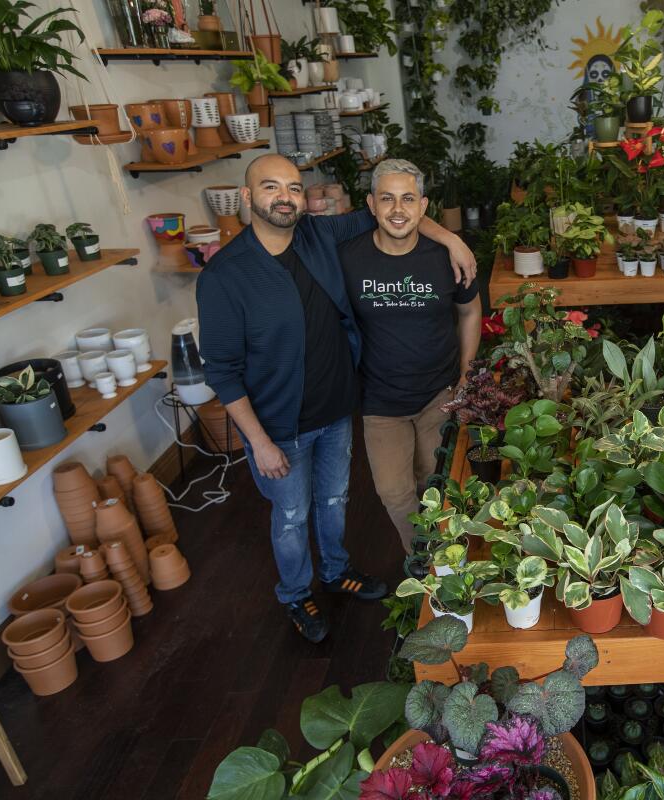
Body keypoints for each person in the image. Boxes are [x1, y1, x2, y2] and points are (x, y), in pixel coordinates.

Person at [196, 154, 476, 642]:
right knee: (289, 516)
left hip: (336, 409)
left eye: (293, 188)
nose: (284, 197)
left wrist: (451, 238)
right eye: (270, 187)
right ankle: (295, 593)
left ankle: (335, 571)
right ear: (247, 197)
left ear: (303, 199)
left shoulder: (317, 237)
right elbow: (220, 370)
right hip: (277, 422)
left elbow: (393, 208)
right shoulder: (224, 275)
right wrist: (257, 441)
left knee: (333, 501)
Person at [337, 160, 482, 554]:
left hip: (439, 392)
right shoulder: (348, 259)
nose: (397, 209)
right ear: (370, 204)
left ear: (423, 205)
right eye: (387, 199)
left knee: (432, 482)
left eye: (407, 199)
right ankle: (425, 565)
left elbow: (470, 313)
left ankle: (447, 566)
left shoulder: (446, 256)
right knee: (394, 493)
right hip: (380, 400)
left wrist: (467, 375)